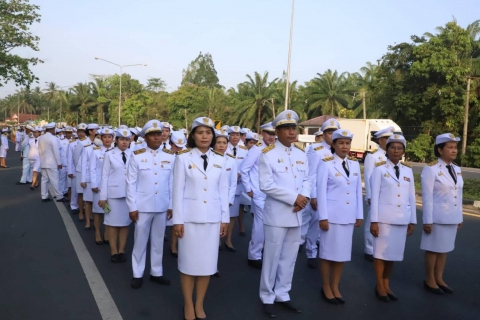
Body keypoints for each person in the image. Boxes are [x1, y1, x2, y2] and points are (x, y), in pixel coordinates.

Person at [172, 117, 229, 320]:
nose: (204, 136)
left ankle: (199, 304)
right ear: (193, 136)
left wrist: (225, 220)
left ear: (213, 136)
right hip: (189, 219)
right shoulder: (183, 158)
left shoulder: (221, 159)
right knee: (188, 265)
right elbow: (177, 191)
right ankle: (188, 304)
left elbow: (223, 192)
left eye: (208, 132)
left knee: (207, 266)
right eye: (200, 132)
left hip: (212, 220)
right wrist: (177, 220)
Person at [257, 110, 310, 318]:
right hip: (278, 215)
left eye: (293, 128)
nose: (291, 132)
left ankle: (282, 293)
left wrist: (303, 197)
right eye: (286, 128)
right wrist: (294, 197)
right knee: (272, 258)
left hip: (297, 214)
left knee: (289, 257)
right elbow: (266, 185)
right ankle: (267, 296)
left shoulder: (300, 153)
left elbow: (308, 179)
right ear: (276, 132)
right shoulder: (268, 154)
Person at [126, 121, 175, 289]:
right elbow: (131, 183)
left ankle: (156, 272)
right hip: (142, 206)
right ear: (145, 137)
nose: (157, 137)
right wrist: (132, 207)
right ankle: (137, 273)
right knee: (140, 241)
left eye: (159, 134)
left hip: (162, 206)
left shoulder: (170, 155)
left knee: (158, 241)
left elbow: (172, 183)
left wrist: (171, 205)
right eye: (153, 134)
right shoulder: (137, 155)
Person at [316, 129, 363, 305]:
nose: (345, 146)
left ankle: (335, 286)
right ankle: (326, 286)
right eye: (341, 143)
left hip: (348, 217)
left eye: (347, 143)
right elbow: (320, 192)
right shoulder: (326, 163)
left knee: (342, 254)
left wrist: (359, 215)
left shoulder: (355, 164)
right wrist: (323, 217)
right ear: (333, 145)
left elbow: (358, 191)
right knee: (328, 253)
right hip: (332, 216)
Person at [370, 134, 416, 302]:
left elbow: (411, 197)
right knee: (381, 254)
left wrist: (412, 221)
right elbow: (374, 196)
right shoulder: (380, 168)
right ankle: (379, 285)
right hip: (384, 219)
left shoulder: (408, 170)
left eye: (399, 148)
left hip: (402, 219)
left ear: (403, 151)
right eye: (393, 147)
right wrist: (373, 221)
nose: (396, 151)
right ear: (387, 150)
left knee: (394, 254)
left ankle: (386, 283)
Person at [420, 133, 463, 295]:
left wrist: (459, 217)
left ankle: (439, 278)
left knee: (444, 249)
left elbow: (458, 195)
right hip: (437, 217)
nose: (454, 150)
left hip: (451, 216)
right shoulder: (431, 169)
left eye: (455, 147)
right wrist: (427, 220)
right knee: (432, 249)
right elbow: (427, 196)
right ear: (440, 150)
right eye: (450, 147)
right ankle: (429, 279)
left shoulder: (457, 169)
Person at [303, 119, 341, 268]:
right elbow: (310, 174)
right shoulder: (316, 149)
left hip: (334, 194)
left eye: (334, 132)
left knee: (331, 225)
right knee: (315, 224)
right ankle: (311, 252)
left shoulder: (340, 150)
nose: (332, 135)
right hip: (319, 193)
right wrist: (313, 195)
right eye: (329, 132)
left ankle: (327, 253)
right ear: (324, 134)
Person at [240, 122, 276, 269]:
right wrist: (249, 189)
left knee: (272, 225)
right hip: (259, 193)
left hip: (273, 194)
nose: (271, 137)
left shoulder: (275, 150)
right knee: (260, 225)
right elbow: (244, 169)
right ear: (262, 134)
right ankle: (254, 255)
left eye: (274, 134)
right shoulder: (256, 150)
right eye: (268, 133)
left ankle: (266, 253)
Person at [99, 129, 131, 263]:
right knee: (112, 224)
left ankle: (122, 250)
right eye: (122, 139)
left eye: (127, 139)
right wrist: (103, 197)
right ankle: (113, 251)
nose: (124, 142)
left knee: (125, 224)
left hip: (128, 194)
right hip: (113, 194)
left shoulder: (133, 154)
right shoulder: (109, 154)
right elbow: (105, 175)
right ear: (116, 140)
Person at [363, 126, 395, 261]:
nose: (390, 141)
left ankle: (382, 248)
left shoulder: (393, 155)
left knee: (386, 223)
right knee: (372, 220)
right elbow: (369, 176)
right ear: (380, 140)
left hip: (388, 195)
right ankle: (369, 249)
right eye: (387, 138)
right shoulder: (373, 157)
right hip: (376, 195)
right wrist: (370, 196)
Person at [214, 129, 238, 252]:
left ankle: (228, 240)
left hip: (227, 198)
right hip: (213, 197)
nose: (222, 145)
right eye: (219, 142)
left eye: (224, 143)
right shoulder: (209, 158)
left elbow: (233, 183)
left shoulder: (231, 160)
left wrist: (229, 200)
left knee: (228, 219)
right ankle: (215, 241)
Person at [90, 128, 115, 244]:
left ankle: (106, 232)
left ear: (113, 138)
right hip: (99, 186)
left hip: (112, 186)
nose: (107, 139)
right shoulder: (95, 151)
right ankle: (97, 233)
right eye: (104, 137)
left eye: (109, 137)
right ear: (101, 138)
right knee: (98, 211)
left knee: (108, 211)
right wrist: (93, 184)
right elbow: (92, 169)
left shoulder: (116, 152)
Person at [167, 130, 188, 258]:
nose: (178, 149)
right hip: (166, 191)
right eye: (176, 146)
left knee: (178, 219)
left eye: (181, 147)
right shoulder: (167, 155)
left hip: (182, 191)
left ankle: (174, 245)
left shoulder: (187, 156)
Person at [227, 125, 249, 237]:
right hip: (224, 184)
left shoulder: (244, 151)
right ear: (229, 136)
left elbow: (247, 166)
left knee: (233, 213)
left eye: (237, 135)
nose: (235, 137)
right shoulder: (223, 147)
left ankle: (229, 239)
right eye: (232, 135)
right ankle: (219, 240)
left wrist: (240, 173)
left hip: (238, 185)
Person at [73, 123, 97, 220]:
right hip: (81, 170)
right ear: (90, 132)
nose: (97, 132)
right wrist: (78, 169)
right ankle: (81, 212)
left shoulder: (97, 143)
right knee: (81, 192)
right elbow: (75, 157)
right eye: (95, 130)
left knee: (91, 193)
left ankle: (90, 212)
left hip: (93, 171)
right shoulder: (82, 143)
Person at [38, 123, 66, 202]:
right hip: (52, 162)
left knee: (44, 180)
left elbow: (39, 150)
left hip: (43, 162)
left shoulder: (41, 138)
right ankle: (59, 196)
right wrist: (59, 163)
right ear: (52, 129)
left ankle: (44, 196)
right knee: (55, 180)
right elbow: (56, 151)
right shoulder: (53, 138)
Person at [67, 124, 86, 216]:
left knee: (84, 190)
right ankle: (74, 206)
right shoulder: (72, 143)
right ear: (76, 132)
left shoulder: (88, 143)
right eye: (79, 132)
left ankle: (84, 206)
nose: (81, 134)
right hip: (75, 170)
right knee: (75, 189)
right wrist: (70, 171)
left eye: (83, 132)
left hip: (85, 170)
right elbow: (69, 158)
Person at [58, 127, 73, 198]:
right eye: (68, 133)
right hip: (63, 163)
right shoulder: (61, 141)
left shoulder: (74, 141)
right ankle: (60, 192)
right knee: (61, 179)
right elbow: (58, 152)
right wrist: (58, 162)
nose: (69, 134)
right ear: (65, 133)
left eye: (70, 133)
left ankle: (66, 191)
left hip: (71, 164)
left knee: (69, 180)